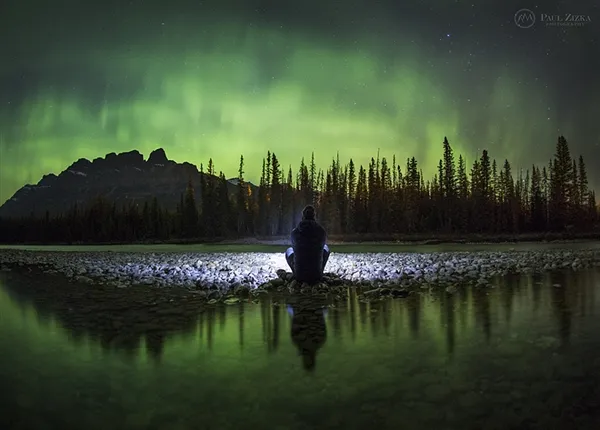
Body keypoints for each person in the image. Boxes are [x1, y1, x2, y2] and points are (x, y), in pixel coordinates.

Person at [285, 205, 330, 284]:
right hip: (317, 275)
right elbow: (322, 245)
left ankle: (295, 271)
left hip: (299, 276)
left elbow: (295, 247)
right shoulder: (321, 231)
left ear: (303, 216)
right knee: (326, 248)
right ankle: (320, 269)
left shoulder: (295, 232)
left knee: (289, 250)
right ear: (314, 216)